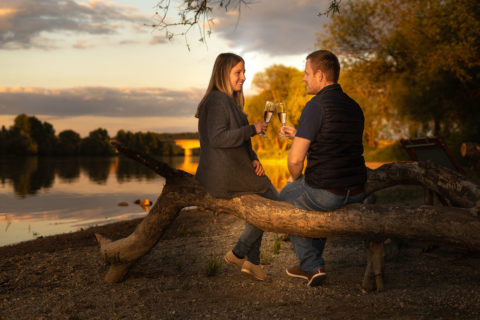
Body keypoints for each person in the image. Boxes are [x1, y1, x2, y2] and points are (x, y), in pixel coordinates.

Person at [279, 50, 367, 287]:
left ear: (320, 75)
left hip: (329, 194)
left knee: (286, 197)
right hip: (357, 190)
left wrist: (292, 179)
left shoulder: (315, 106)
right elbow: (336, 142)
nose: (303, 79)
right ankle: (312, 263)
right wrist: (299, 135)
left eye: (307, 74)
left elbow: (296, 161)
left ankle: (311, 265)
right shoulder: (353, 106)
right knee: (310, 196)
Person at [195, 52, 278, 281]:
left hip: (233, 169)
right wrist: (252, 128)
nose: (243, 77)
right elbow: (218, 138)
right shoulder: (218, 100)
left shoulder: (227, 102)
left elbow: (239, 141)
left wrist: (254, 159)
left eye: (244, 72)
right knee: (274, 201)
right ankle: (239, 252)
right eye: (238, 72)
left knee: (262, 204)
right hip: (223, 175)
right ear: (223, 73)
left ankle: (252, 263)